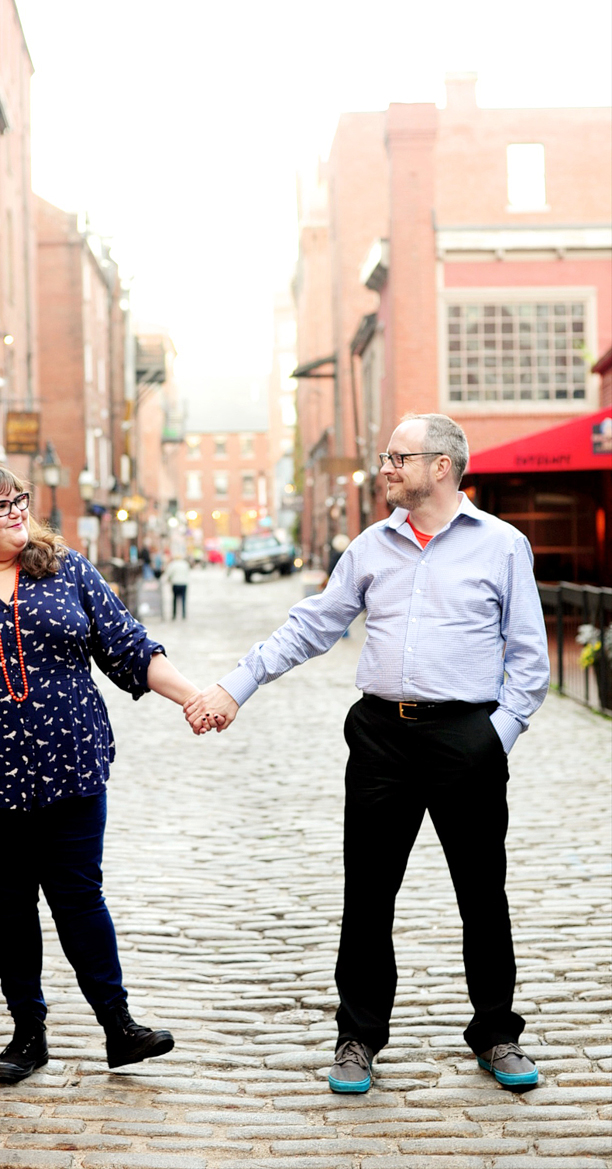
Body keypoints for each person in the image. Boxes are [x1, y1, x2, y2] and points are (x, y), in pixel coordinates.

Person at [184, 413, 549, 1095]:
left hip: (466, 738)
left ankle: (496, 1032)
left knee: (482, 893)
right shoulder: (370, 547)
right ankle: (358, 1036)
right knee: (368, 893)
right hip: (382, 737)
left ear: (442, 465)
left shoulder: (502, 545)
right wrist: (236, 686)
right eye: (386, 455)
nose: (385, 466)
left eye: (398, 456)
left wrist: (492, 738)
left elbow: (529, 659)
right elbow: (312, 626)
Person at [0, 462, 200, 1084]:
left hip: (70, 767)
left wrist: (192, 696)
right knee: (5, 904)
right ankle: (28, 1032)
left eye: (19, 500)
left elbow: (128, 648)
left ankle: (119, 1027)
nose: (16, 512)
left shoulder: (65, 569)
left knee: (80, 897)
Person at [162, 553, 191, 620]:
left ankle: (174, 615)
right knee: (183, 599)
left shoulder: (173, 564)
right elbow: (188, 573)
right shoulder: (185, 564)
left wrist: (168, 580)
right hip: (184, 583)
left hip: (175, 583)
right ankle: (183, 614)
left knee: (175, 599)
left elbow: (169, 573)